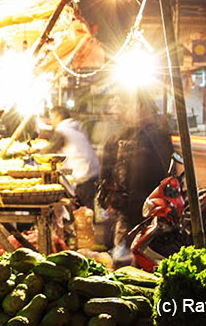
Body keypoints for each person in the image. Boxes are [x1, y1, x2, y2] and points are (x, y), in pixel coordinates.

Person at [98, 93, 173, 264]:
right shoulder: (118, 138)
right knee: (132, 263)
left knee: (134, 263)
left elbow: (168, 173)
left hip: (147, 214)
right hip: (136, 213)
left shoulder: (156, 136)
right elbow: (106, 175)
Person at [43, 106, 101, 208]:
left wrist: (35, 154)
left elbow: (49, 150)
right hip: (92, 172)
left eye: (52, 118)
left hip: (84, 175)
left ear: (58, 117)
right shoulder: (75, 129)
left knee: (82, 211)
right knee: (86, 210)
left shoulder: (62, 131)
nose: (51, 122)